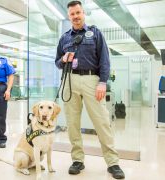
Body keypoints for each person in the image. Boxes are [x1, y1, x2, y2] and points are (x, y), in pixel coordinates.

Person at [55, 1, 124, 179]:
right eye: (72, 14)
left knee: (101, 121)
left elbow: (105, 60)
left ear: (83, 13)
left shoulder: (95, 34)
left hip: (92, 80)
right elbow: (57, 63)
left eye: (78, 13)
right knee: (72, 123)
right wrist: (63, 59)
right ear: (68, 16)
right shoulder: (64, 38)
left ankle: (113, 162)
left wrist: (102, 82)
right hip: (70, 80)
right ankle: (77, 159)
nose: (76, 16)